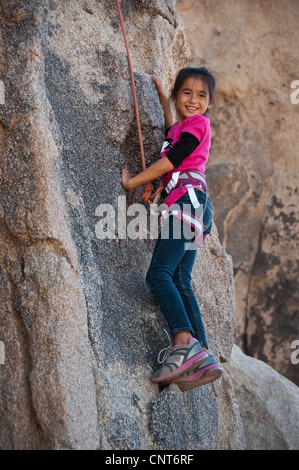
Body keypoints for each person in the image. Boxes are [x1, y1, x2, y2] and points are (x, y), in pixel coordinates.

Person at [122, 67, 222, 391]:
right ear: (179, 96)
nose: (193, 100)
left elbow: (171, 160)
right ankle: (202, 355)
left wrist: (134, 181)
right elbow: (171, 135)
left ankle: (183, 343)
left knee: (158, 274)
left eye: (201, 95)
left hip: (188, 205)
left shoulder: (198, 124)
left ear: (209, 102)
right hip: (196, 207)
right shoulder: (181, 128)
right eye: (187, 94)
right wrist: (165, 99)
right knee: (180, 278)